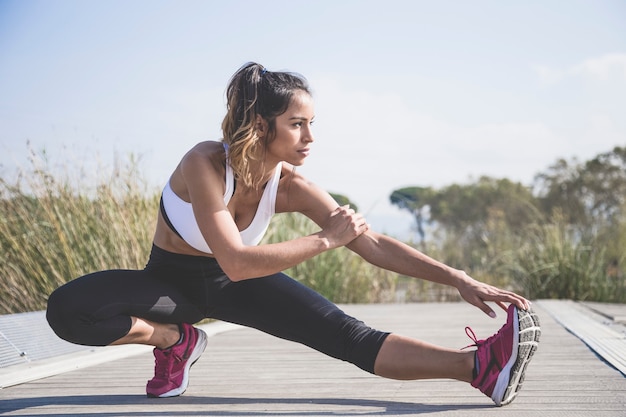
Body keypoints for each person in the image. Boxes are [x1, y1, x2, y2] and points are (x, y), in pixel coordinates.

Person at [46, 62, 540, 407]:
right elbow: (238, 259)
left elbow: (372, 244)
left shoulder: (294, 187)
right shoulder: (205, 163)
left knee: (348, 336)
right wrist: (327, 239)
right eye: (297, 125)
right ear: (262, 126)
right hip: (170, 288)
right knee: (67, 311)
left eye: (312, 124)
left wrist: (456, 277)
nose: (310, 138)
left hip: (234, 285)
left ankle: (480, 367)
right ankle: (175, 341)